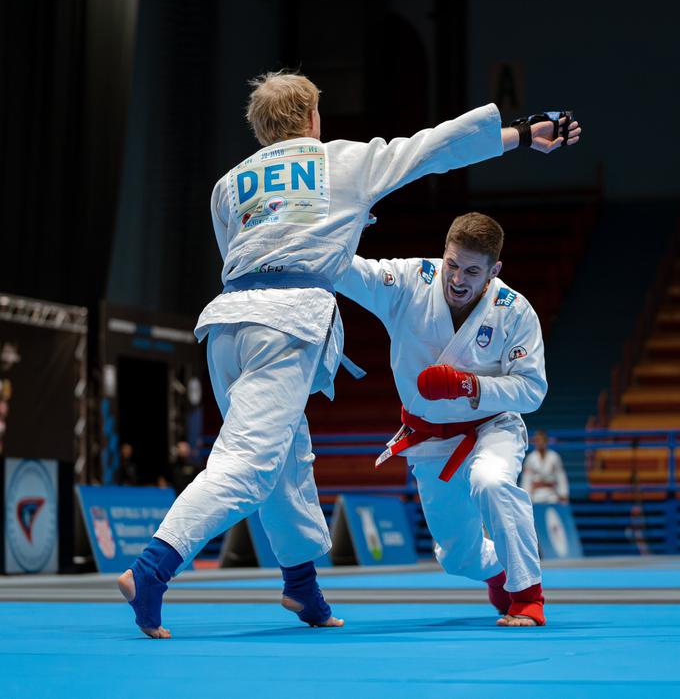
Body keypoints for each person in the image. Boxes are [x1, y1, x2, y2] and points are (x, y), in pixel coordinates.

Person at [118, 70, 581, 638]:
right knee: (247, 464)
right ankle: (152, 569)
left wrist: (337, 229)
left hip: (225, 324)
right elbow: (434, 146)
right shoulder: (340, 162)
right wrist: (518, 133)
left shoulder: (228, 184)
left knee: (289, 457)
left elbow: (249, 251)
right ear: (313, 119)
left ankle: (303, 588)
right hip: (284, 325)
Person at [335, 212, 550, 626]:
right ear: (443, 254)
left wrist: (470, 386)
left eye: (472, 270)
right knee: (458, 558)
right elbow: (344, 270)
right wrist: (346, 230)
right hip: (430, 439)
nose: (457, 279)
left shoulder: (514, 311)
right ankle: (497, 571)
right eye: (452, 264)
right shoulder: (410, 283)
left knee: (492, 480)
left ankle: (528, 596)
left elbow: (532, 389)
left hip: (492, 427)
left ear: (494, 271)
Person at [520, 430, 570, 504]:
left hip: (551, 493)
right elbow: (527, 478)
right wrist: (526, 496)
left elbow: (561, 476)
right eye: (538, 440)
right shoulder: (531, 458)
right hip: (536, 494)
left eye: (542, 440)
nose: (540, 443)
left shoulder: (554, 457)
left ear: (546, 441)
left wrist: (563, 494)